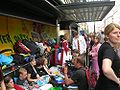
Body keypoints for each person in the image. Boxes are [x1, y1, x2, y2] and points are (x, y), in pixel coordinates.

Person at [95, 23, 120, 90]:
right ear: (107, 35)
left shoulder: (105, 46)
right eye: (115, 33)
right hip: (108, 86)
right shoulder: (108, 49)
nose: (118, 35)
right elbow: (106, 69)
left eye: (119, 32)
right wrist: (117, 81)